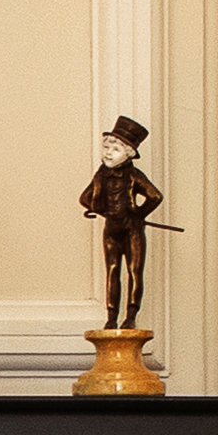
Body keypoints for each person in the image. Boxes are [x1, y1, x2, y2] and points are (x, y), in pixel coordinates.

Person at [82, 117, 163, 342]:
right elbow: (85, 197)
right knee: (112, 271)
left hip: (132, 231)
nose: (108, 153)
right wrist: (99, 208)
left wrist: (138, 215)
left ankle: (130, 316)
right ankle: (111, 317)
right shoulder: (101, 174)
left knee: (134, 271)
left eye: (115, 149)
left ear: (128, 153)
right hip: (111, 230)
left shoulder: (134, 175)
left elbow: (155, 196)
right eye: (106, 147)